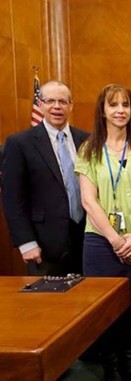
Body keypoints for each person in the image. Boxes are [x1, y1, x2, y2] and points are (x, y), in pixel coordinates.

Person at [76, 84, 131, 381]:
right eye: (114, 105)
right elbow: (88, 201)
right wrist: (115, 240)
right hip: (101, 242)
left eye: (125, 104)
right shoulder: (88, 149)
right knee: (107, 309)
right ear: (103, 110)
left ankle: (130, 361)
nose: (120, 110)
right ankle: (111, 365)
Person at [2, 80, 88, 276]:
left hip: (86, 240)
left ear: (71, 105)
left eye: (62, 101)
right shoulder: (19, 143)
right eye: (50, 101)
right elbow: (12, 199)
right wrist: (26, 242)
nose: (56, 106)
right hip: (43, 245)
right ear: (40, 104)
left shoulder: (86, 140)